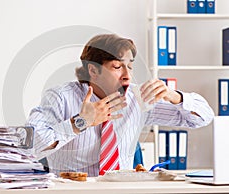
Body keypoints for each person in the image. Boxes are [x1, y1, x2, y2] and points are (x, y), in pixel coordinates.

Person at [26, 34, 214, 177]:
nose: (127, 75)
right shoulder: (60, 97)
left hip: (122, 189)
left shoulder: (137, 98)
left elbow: (203, 118)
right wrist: (80, 122)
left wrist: (174, 96)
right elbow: (32, 145)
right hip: (74, 189)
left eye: (130, 67)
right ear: (93, 70)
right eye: (117, 67)